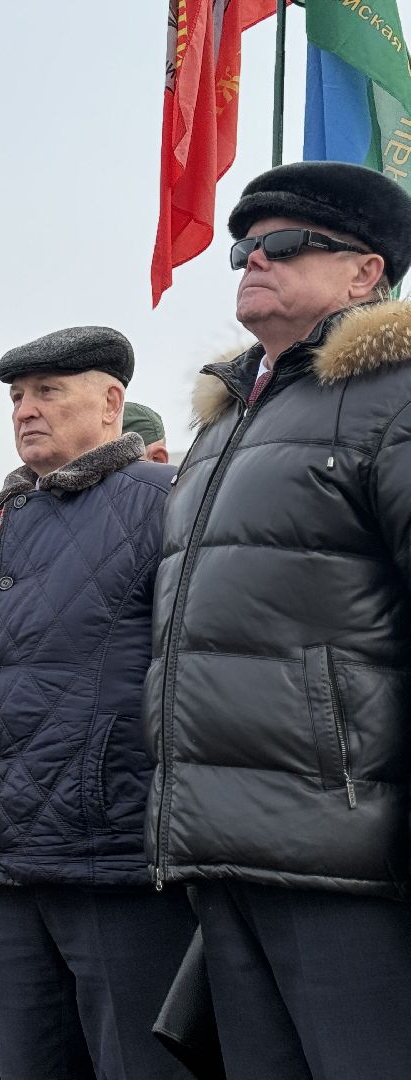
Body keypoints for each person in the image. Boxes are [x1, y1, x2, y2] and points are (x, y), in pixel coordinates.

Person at [146, 160, 411, 1075]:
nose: (254, 260)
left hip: (346, 849)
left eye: (287, 244)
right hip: (221, 845)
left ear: (366, 272)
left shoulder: (396, 396)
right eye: (243, 249)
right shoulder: (226, 424)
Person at [0, 328, 193, 1078]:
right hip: (15, 871)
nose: (26, 410)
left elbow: (190, 670)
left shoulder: (162, 497)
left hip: (115, 861)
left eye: (49, 391)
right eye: (18, 397)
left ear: (112, 402)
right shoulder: (8, 524)